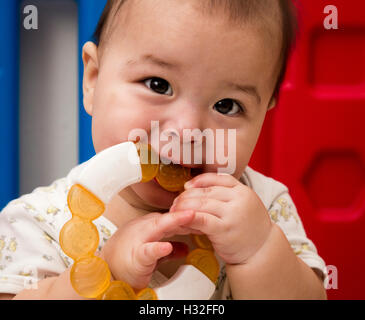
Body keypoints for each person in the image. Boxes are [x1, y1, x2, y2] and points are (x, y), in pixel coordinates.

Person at [0, 0, 327, 299]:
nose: (186, 131)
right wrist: (104, 274)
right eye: (158, 84)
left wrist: (258, 252)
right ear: (93, 79)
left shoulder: (265, 209)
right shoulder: (38, 224)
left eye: (227, 105)